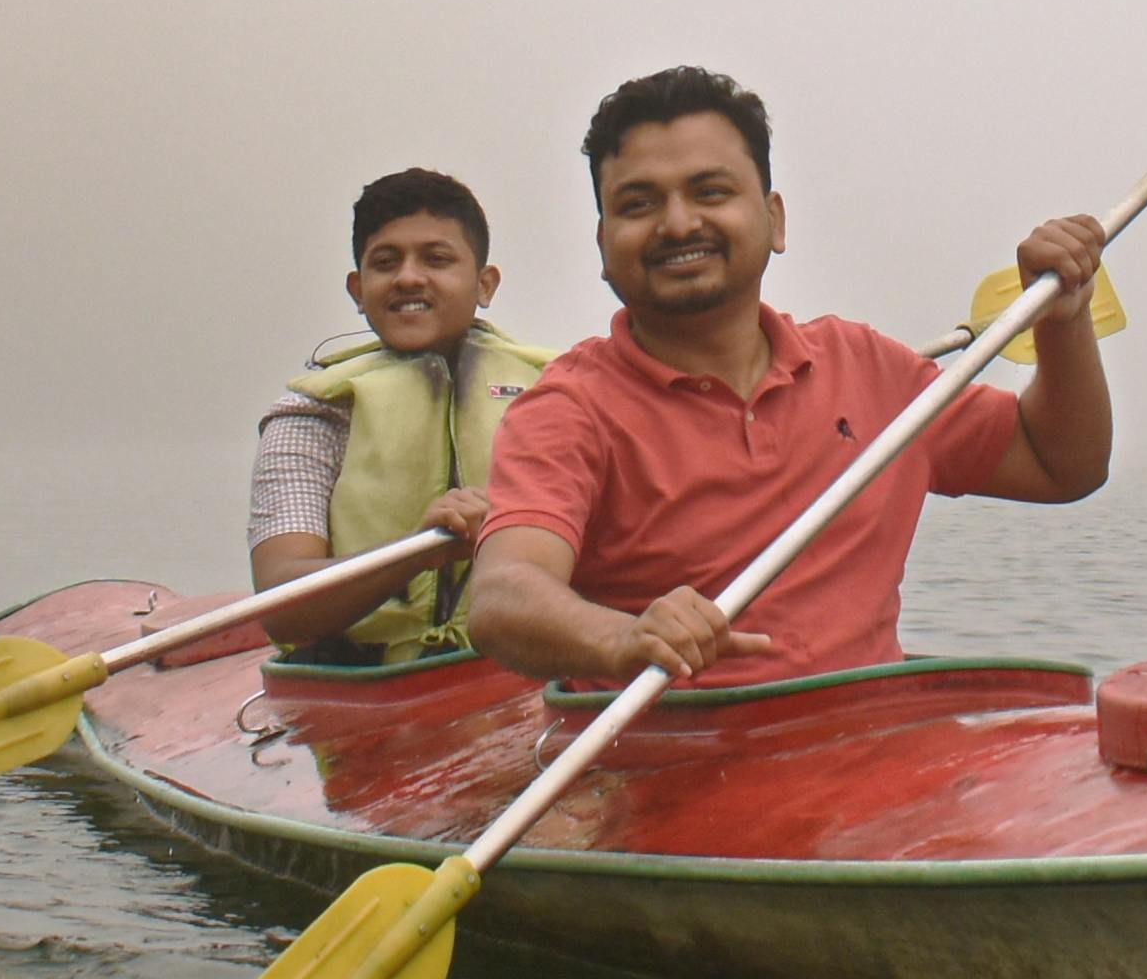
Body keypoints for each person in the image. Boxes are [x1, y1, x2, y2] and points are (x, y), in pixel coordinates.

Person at [465, 65, 1110, 690]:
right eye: (639, 204)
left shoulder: (869, 369)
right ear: (604, 244)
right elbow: (503, 596)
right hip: (667, 761)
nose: (679, 223)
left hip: (870, 747)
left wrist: (1063, 320)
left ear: (774, 219)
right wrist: (620, 640)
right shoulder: (567, 408)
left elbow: (1062, 465)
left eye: (711, 192)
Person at [246, 168, 560, 660]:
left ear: (484, 284)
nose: (409, 277)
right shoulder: (311, 415)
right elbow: (281, 604)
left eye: (436, 259)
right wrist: (420, 549)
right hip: (369, 683)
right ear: (358, 288)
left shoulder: (559, 394)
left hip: (526, 668)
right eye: (386, 262)